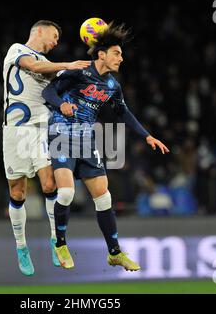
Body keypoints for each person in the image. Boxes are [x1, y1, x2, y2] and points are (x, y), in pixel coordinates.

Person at [42, 23, 170, 270]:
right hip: (62, 132)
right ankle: (59, 243)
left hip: (87, 138)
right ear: (102, 54)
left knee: (104, 198)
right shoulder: (79, 71)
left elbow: (124, 113)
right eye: (117, 53)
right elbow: (48, 92)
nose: (121, 58)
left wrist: (146, 136)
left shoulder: (112, 86)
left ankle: (114, 253)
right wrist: (61, 105)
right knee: (66, 193)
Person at [2, 20, 91, 276]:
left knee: (50, 184)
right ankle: (21, 246)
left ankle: (56, 241)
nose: (55, 42)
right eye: (53, 36)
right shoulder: (17, 50)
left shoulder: (49, 66)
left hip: (43, 126)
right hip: (15, 131)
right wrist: (67, 64)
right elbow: (33, 66)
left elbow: (63, 81)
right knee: (18, 192)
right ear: (38, 31)